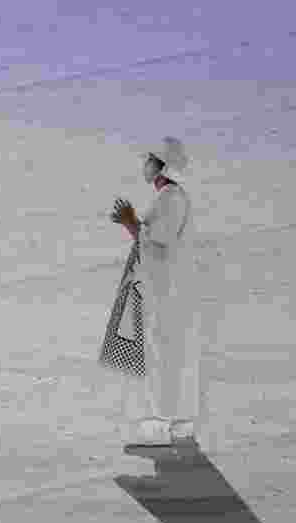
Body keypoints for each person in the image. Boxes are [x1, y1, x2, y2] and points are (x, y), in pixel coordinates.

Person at [110, 136, 203, 446]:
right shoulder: (173, 198)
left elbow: (155, 241)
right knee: (177, 352)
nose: (145, 164)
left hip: (167, 292)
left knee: (162, 352)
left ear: (161, 166)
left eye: (150, 159)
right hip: (174, 290)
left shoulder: (170, 199)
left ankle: (161, 425)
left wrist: (129, 222)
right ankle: (181, 423)